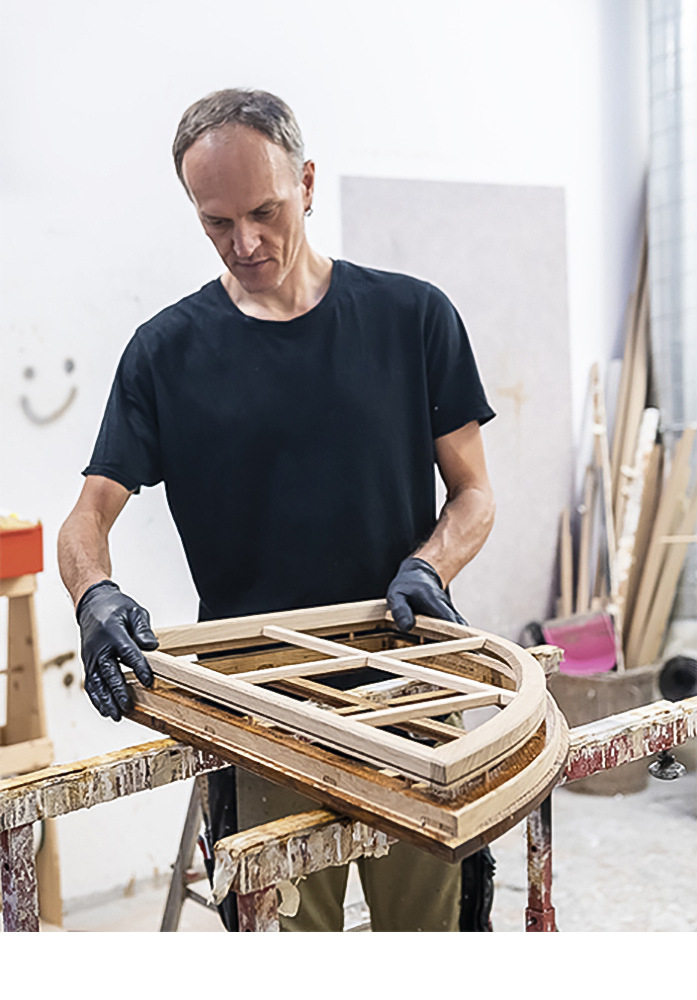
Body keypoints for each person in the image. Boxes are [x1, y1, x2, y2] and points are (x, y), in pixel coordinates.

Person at [58, 88, 497, 932]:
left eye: (262, 210)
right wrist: (94, 596)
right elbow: (87, 516)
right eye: (216, 222)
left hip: (410, 692)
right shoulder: (165, 353)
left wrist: (428, 565)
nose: (245, 242)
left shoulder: (412, 317)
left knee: (434, 944)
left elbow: (474, 495)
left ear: (306, 181)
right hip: (262, 711)